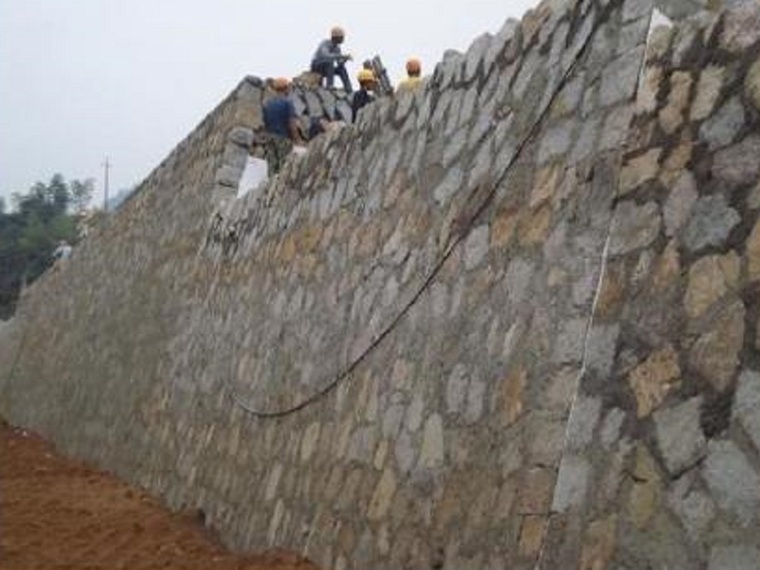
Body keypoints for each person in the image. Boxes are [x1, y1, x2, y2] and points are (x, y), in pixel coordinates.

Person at [262, 77, 305, 175]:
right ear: (286, 88)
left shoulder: (268, 104)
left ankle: (271, 188)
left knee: (272, 167)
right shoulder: (287, 103)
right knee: (283, 167)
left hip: (270, 138)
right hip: (283, 139)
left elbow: (265, 124)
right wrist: (297, 139)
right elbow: (291, 124)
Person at [311, 26, 353, 93]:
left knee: (342, 68)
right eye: (341, 37)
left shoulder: (337, 48)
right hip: (317, 66)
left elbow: (339, 63)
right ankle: (329, 85)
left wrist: (345, 59)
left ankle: (348, 88)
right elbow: (325, 55)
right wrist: (340, 56)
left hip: (328, 68)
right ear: (336, 37)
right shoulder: (325, 43)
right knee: (329, 62)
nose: (343, 39)